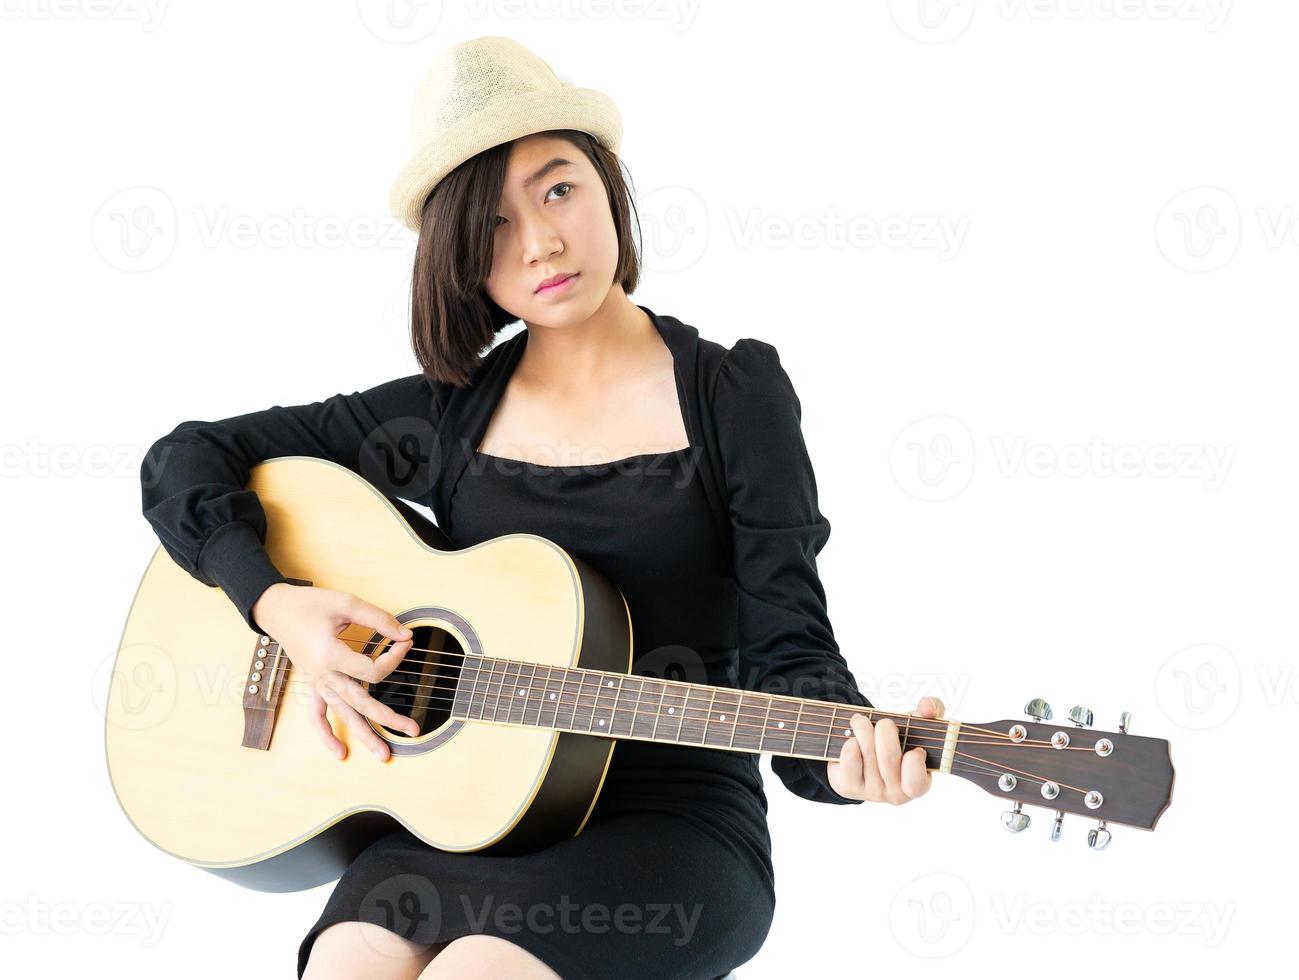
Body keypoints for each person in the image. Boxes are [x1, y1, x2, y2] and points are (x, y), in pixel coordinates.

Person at [138, 35, 944, 980]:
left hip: (672, 822)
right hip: (463, 809)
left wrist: (850, 762)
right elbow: (187, 457)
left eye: (558, 188)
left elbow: (792, 648)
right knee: (349, 964)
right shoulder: (445, 414)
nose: (541, 241)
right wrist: (278, 605)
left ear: (608, 185)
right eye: (491, 224)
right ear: (458, 261)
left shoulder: (733, 395)